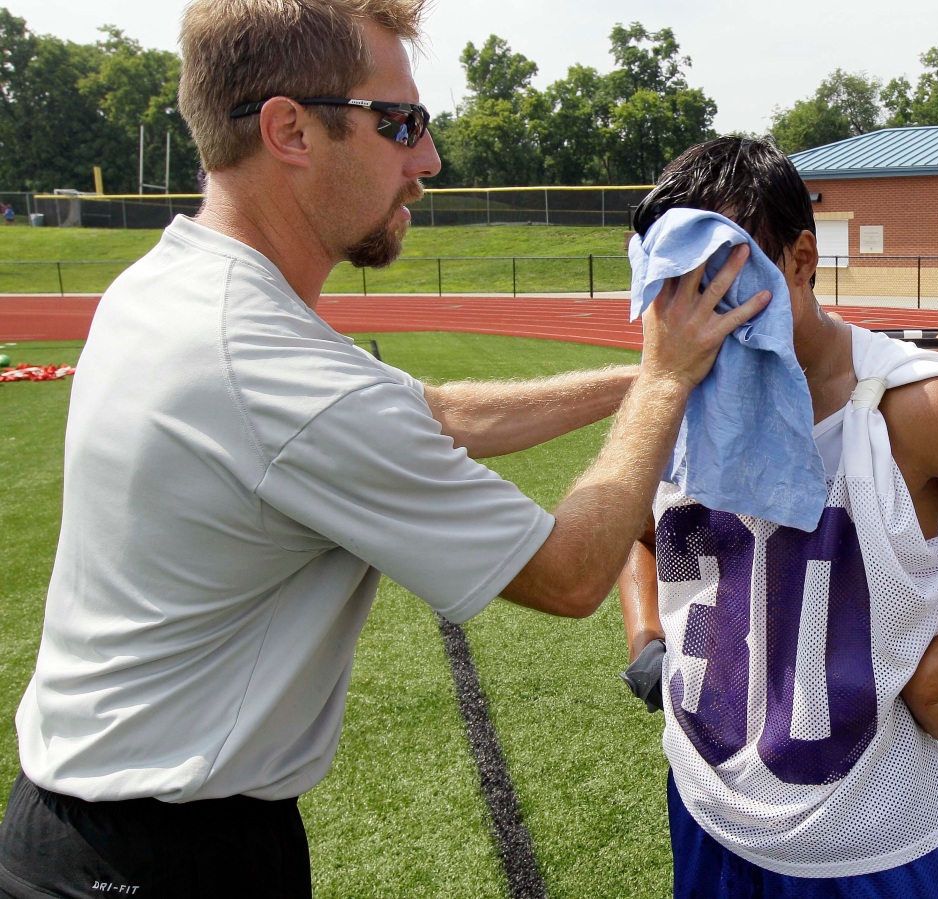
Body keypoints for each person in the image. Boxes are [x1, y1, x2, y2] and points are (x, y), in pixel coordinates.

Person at [0, 2, 764, 896]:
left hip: (95, 828)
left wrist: (643, 374)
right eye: (400, 123)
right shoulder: (266, 366)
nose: (428, 160)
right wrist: (669, 386)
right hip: (161, 858)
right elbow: (567, 573)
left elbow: (436, 413)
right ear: (289, 129)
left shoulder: (178, 285)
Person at [617, 137, 938, 897]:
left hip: (862, 840)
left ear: (800, 260)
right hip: (703, 801)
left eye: (722, 280)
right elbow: (641, 527)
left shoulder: (918, 404)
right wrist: (647, 634)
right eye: (674, 287)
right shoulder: (673, 383)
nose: (696, 318)